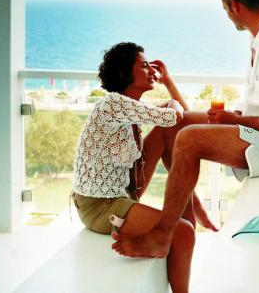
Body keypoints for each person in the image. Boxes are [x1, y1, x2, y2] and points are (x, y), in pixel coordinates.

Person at [111, 0, 259, 262]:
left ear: (234, 5)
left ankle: (161, 236)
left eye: (226, 10)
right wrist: (234, 115)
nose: (228, 16)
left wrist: (235, 120)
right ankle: (185, 224)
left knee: (189, 139)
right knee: (174, 124)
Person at [71, 42, 217, 293]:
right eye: (144, 66)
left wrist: (170, 91)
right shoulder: (112, 104)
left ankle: (195, 206)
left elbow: (180, 123)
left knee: (169, 131)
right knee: (183, 232)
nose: (152, 71)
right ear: (124, 72)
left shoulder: (132, 109)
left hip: (125, 189)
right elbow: (176, 115)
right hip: (99, 205)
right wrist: (172, 103)